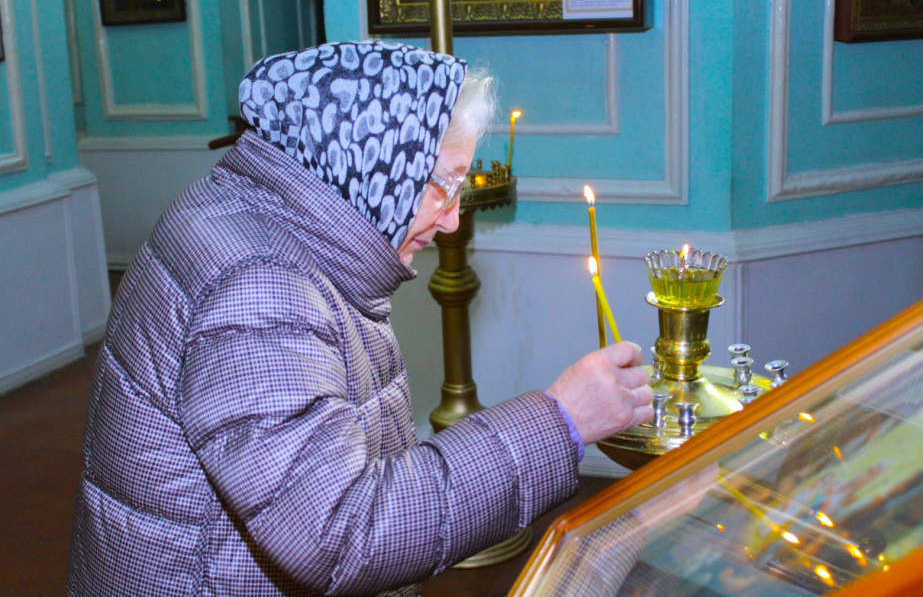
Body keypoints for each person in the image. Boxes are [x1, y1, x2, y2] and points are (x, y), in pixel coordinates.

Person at [68, 41, 654, 596]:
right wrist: (562, 421)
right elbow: (336, 533)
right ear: (374, 161)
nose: (451, 221)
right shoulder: (261, 287)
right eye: (440, 187)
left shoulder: (263, 222)